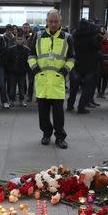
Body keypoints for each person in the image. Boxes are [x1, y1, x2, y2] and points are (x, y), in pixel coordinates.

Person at [28, 9, 75, 149]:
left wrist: (65, 70)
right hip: (42, 81)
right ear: (47, 22)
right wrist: (35, 69)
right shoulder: (38, 36)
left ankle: (60, 137)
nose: (53, 24)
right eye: (51, 21)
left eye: (56, 21)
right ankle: (46, 134)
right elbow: (31, 55)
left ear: (60, 22)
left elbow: (72, 57)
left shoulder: (67, 37)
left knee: (59, 114)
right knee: (43, 114)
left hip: (57, 81)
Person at [67, 19, 102, 114]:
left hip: (76, 63)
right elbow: (98, 48)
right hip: (89, 65)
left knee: (73, 88)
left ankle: (70, 105)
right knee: (87, 88)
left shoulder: (74, 35)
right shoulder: (93, 36)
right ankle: (81, 107)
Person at [3, 29, 30, 107]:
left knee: (22, 87)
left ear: (23, 40)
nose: (19, 40)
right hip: (13, 72)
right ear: (15, 40)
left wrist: (26, 69)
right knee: (12, 88)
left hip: (22, 72)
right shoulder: (11, 49)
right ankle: (11, 100)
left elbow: (28, 61)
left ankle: (22, 100)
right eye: (18, 39)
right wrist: (9, 70)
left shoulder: (26, 50)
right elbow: (8, 60)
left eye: (21, 39)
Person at [97, 28, 108, 99]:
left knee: (105, 78)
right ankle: (98, 92)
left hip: (107, 63)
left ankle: (102, 92)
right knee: (99, 78)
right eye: (102, 34)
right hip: (99, 63)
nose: (104, 35)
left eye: (105, 34)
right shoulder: (97, 42)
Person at [22, 22, 34, 102]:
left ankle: (30, 95)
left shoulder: (33, 36)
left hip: (30, 59)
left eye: (27, 27)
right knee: (23, 79)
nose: (26, 29)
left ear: (29, 28)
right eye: (24, 27)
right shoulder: (20, 36)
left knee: (31, 79)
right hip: (22, 60)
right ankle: (24, 93)